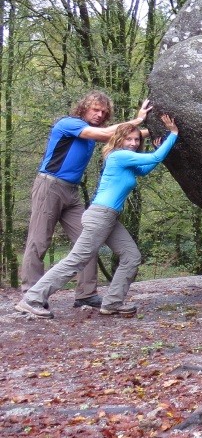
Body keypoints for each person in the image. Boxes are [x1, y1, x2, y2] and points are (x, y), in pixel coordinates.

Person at [16, 115, 179, 318]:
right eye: (129, 139)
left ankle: (112, 303)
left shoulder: (127, 161)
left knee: (131, 256)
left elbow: (145, 169)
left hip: (109, 218)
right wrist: (173, 134)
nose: (134, 143)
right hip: (100, 216)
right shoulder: (119, 156)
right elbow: (155, 158)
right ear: (119, 140)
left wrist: (157, 147)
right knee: (76, 260)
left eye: (137, 140)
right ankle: (32, 298)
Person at [21, 91, 152, 309]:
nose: (100, 114)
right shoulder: (69, 123)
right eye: (95, 109)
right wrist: (137, 119)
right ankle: (31, 295)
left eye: (104, 112)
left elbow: (128, 137)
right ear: (84, 108)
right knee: (39, 240)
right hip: (50, 186)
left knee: (89, 240)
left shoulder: (96, 132)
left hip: (71, 191)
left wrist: (162, 134)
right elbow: (109, 134)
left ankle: (86, 294)